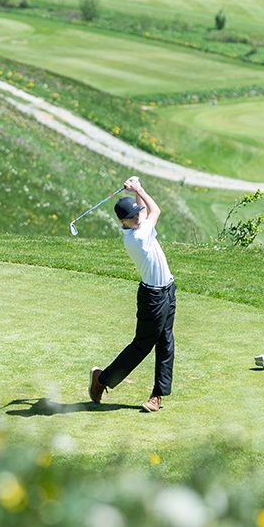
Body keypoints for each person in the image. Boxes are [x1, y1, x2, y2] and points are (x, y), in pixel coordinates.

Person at [89, 176, 175, 413]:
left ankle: (158, 395)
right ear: (123, 221)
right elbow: (154, 209)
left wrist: (136, 191)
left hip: (168, 289)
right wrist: (139, 188)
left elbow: (145, 210)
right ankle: (102, 380)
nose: (139, 217)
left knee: (166, 342)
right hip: (153, 299)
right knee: (141, 346)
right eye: (133, 216)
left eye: (138, 213)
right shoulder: (137, 237)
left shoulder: (139, 226)